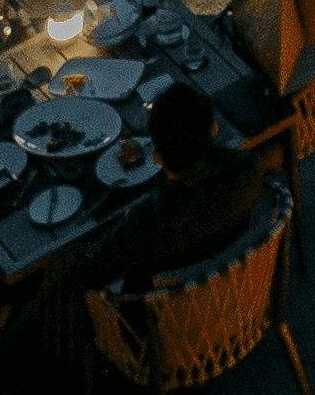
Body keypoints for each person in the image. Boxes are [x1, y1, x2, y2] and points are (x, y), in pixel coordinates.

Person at [105, 83, 264, 289]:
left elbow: (91, 271)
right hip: (243, 294)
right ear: (213, 129)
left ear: (156, 155)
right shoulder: (248, 170)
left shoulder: (143, 225)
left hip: (173, 316)